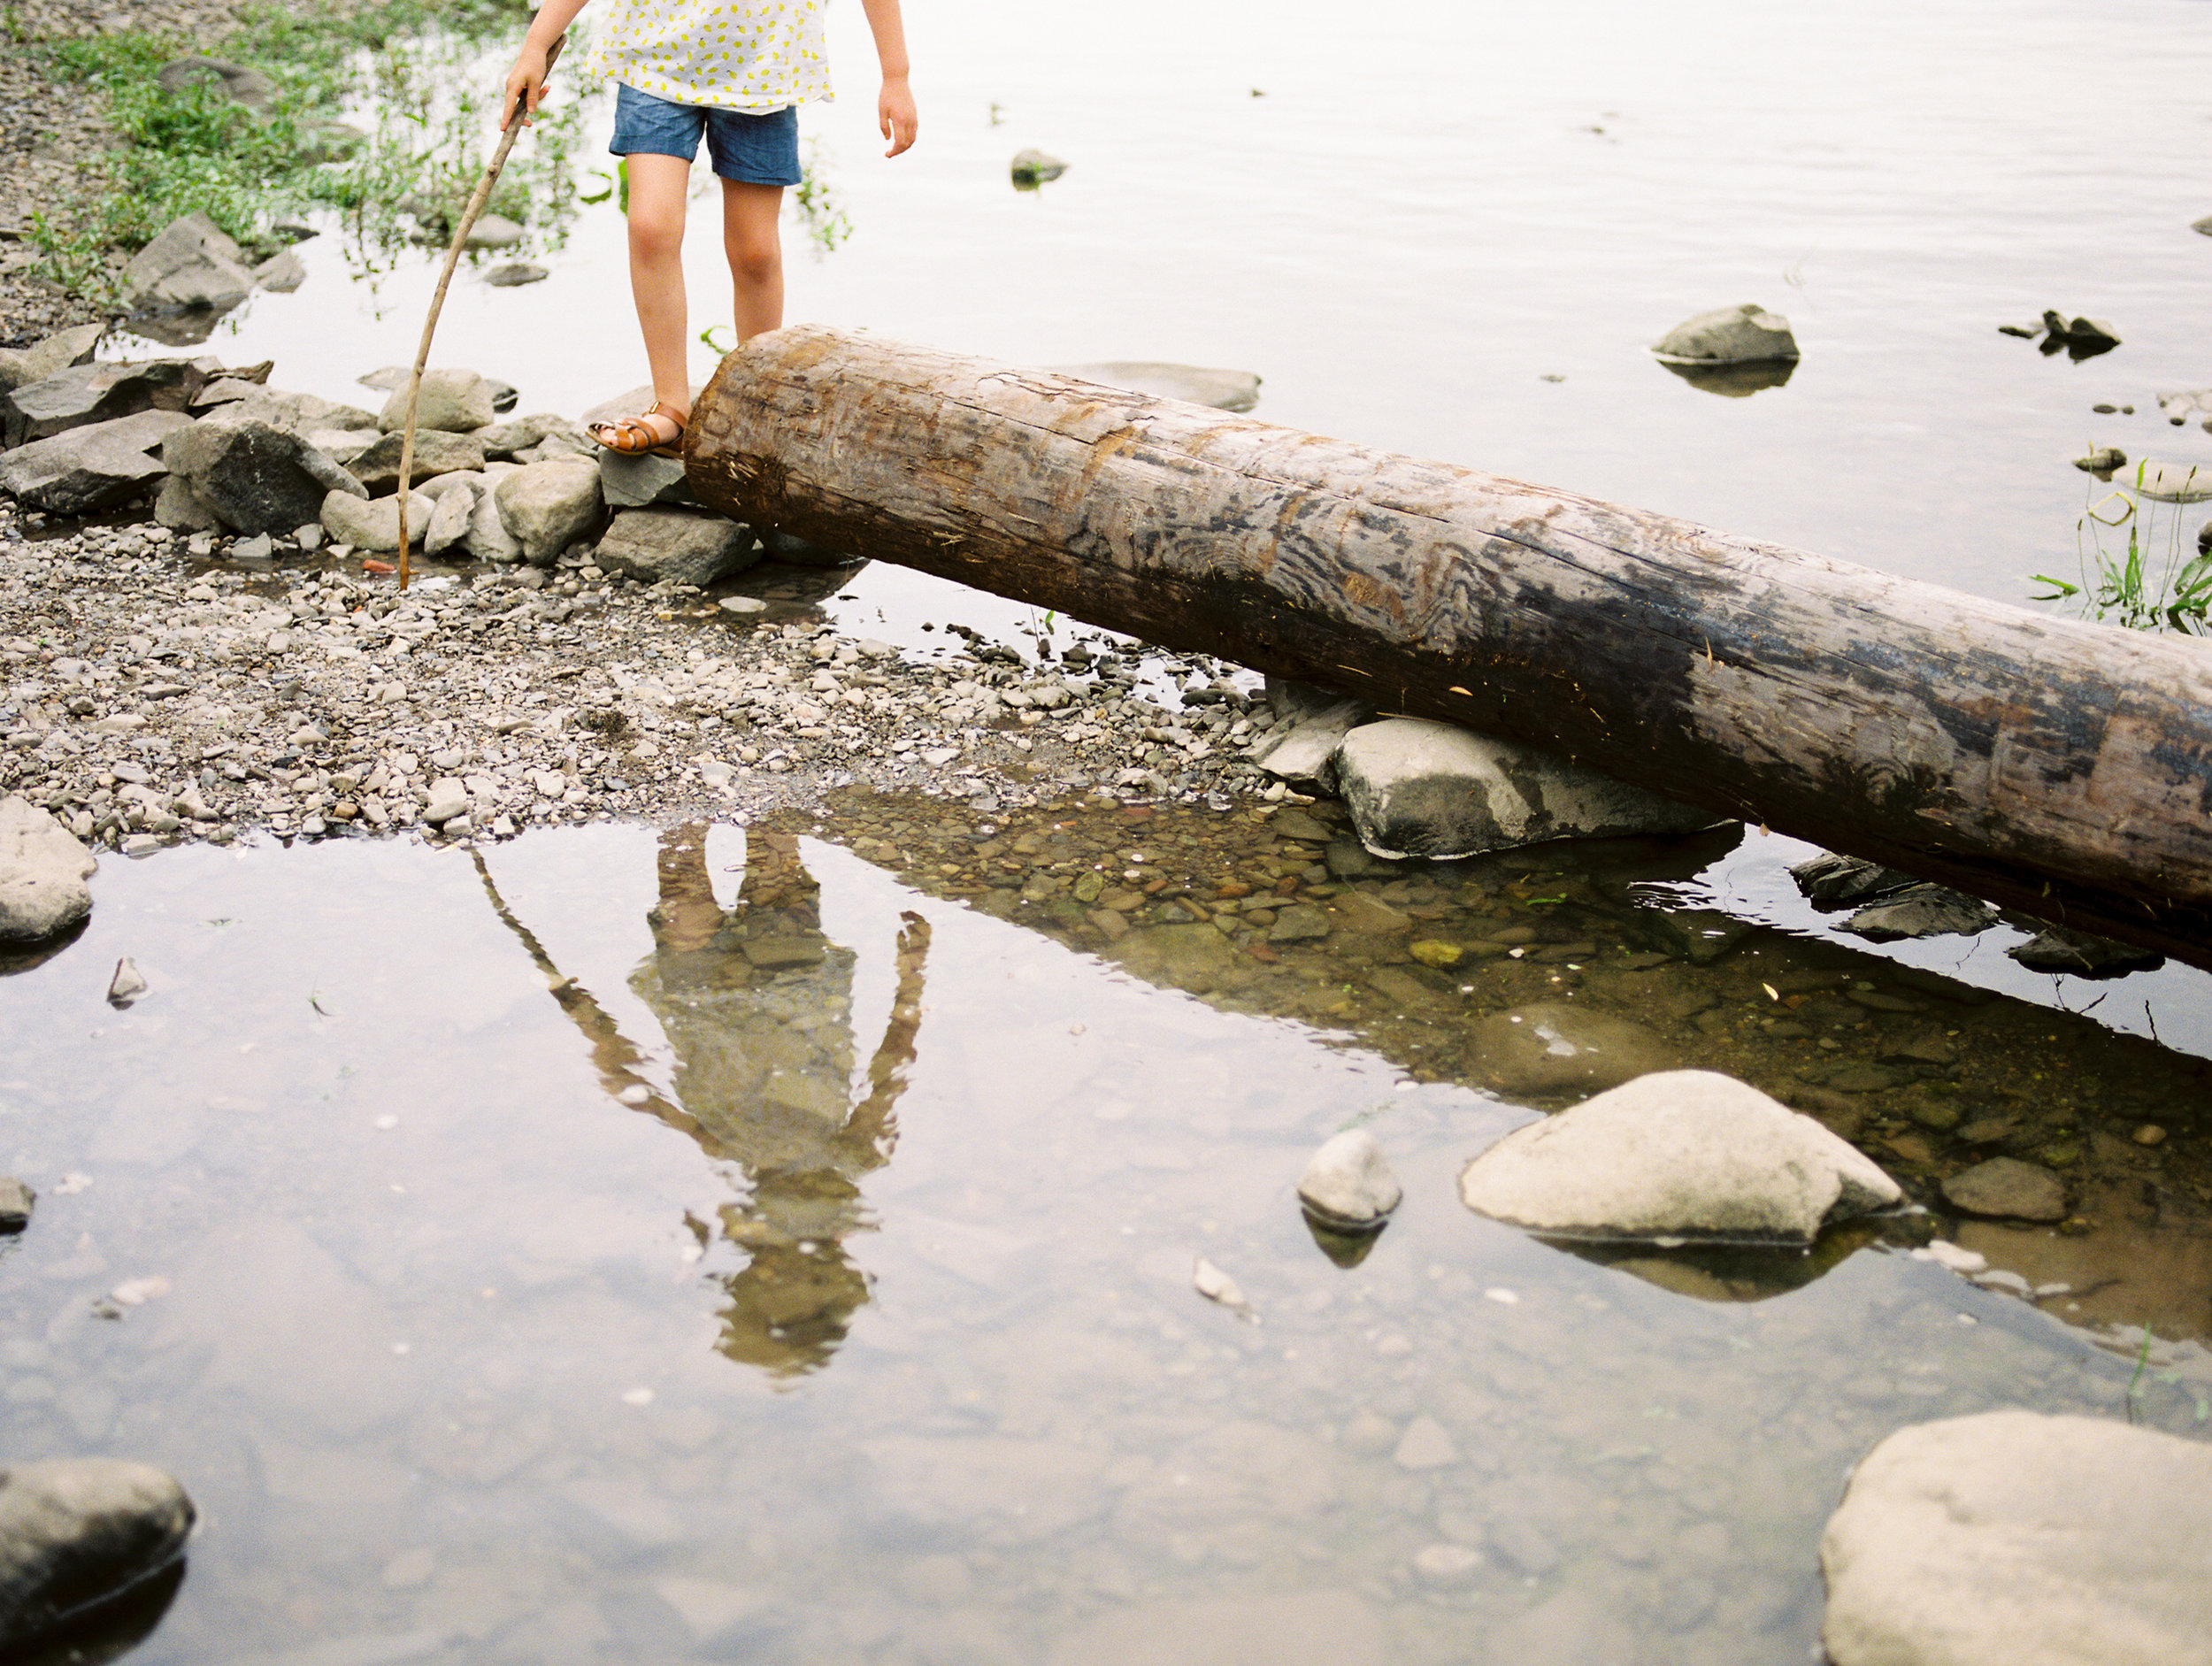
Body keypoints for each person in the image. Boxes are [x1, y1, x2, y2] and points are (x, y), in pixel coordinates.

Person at [503, 0, 918, 457]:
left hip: (765, 71)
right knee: (650, 227)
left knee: (755, 252)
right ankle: (671, 407)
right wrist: (535, 46)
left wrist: (895, 76)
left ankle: (753, 406)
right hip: (655, 60)